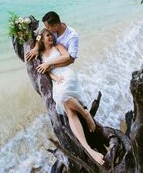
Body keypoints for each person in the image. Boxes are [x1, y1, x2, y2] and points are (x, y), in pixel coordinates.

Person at [37, 28, 105, 165]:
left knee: (63, 98)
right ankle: (89, 150)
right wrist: (54, 77)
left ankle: (86, 114)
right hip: (58, 80)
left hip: (67, 74)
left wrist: (50, 63)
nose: (50, 37)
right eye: (47, 35)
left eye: (51, 34)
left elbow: (67, 56)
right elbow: (45, 71)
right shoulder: (40, 55)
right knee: (69, 111)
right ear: (42, 39)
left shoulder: (58, 46)